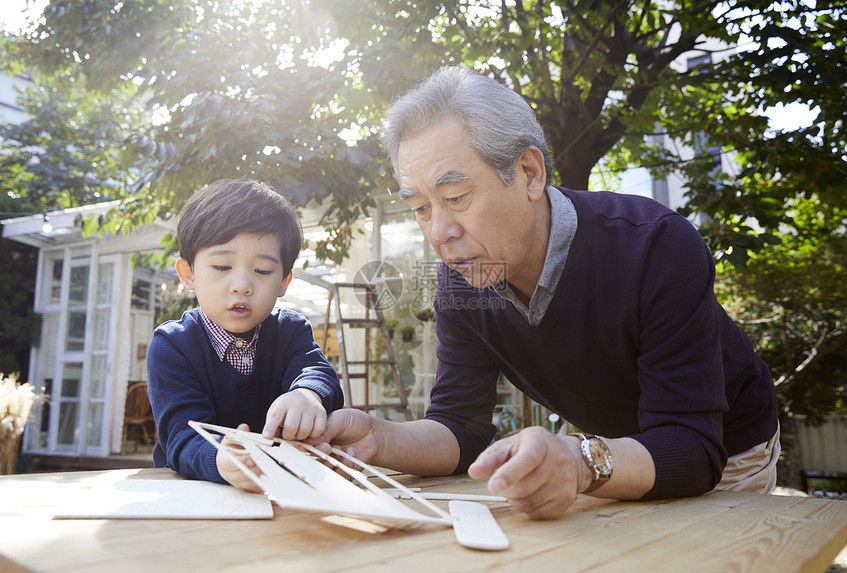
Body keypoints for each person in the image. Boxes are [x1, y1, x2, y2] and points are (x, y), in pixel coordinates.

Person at [308, 66, 780, 519]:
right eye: (420, 208)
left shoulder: (655, 245)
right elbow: (459, 425)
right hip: (607, 455)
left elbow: (691, 447)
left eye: (455, 198)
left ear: (530, 173)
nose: (440, 231)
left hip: (726, 448)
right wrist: (378, 437)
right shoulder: (464, 280)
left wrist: (578, 460)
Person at [147, 179, 343, 491]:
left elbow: (319, 373)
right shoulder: (173, 345)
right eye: (222, 266)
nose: (242, 284)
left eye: (263, 271)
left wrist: (308, 395)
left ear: (283, 282)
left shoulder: (290, 331)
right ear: (188, 274)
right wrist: (222, 460)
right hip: (194, 497)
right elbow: (182, 438)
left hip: (281, 491)